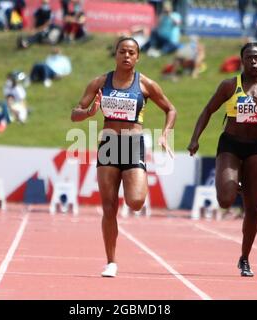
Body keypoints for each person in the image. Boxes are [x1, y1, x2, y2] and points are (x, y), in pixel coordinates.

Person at [71, 37, 176, 277]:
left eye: (131, 53)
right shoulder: (100, 82)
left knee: (136, 201)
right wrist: (89, 112)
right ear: (115, 54)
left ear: (138, 57)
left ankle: (133, 195)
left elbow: (171, 109)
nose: (126, 56)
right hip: (108, 145)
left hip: (132, 144)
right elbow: (74, 114)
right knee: (109, 208)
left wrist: (165, 134)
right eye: (122, 51)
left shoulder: (146, 84)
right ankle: (111, 262)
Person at [187, 42, 257, 277]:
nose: (253, 62)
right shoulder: (230, 86)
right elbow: (208, 110)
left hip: (255, 149)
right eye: (249, 58)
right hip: (230, 146)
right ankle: (236, 185)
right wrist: (195, 139)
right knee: (225, 200)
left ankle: (244, 258)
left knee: (252, 209)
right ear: (242, 60)